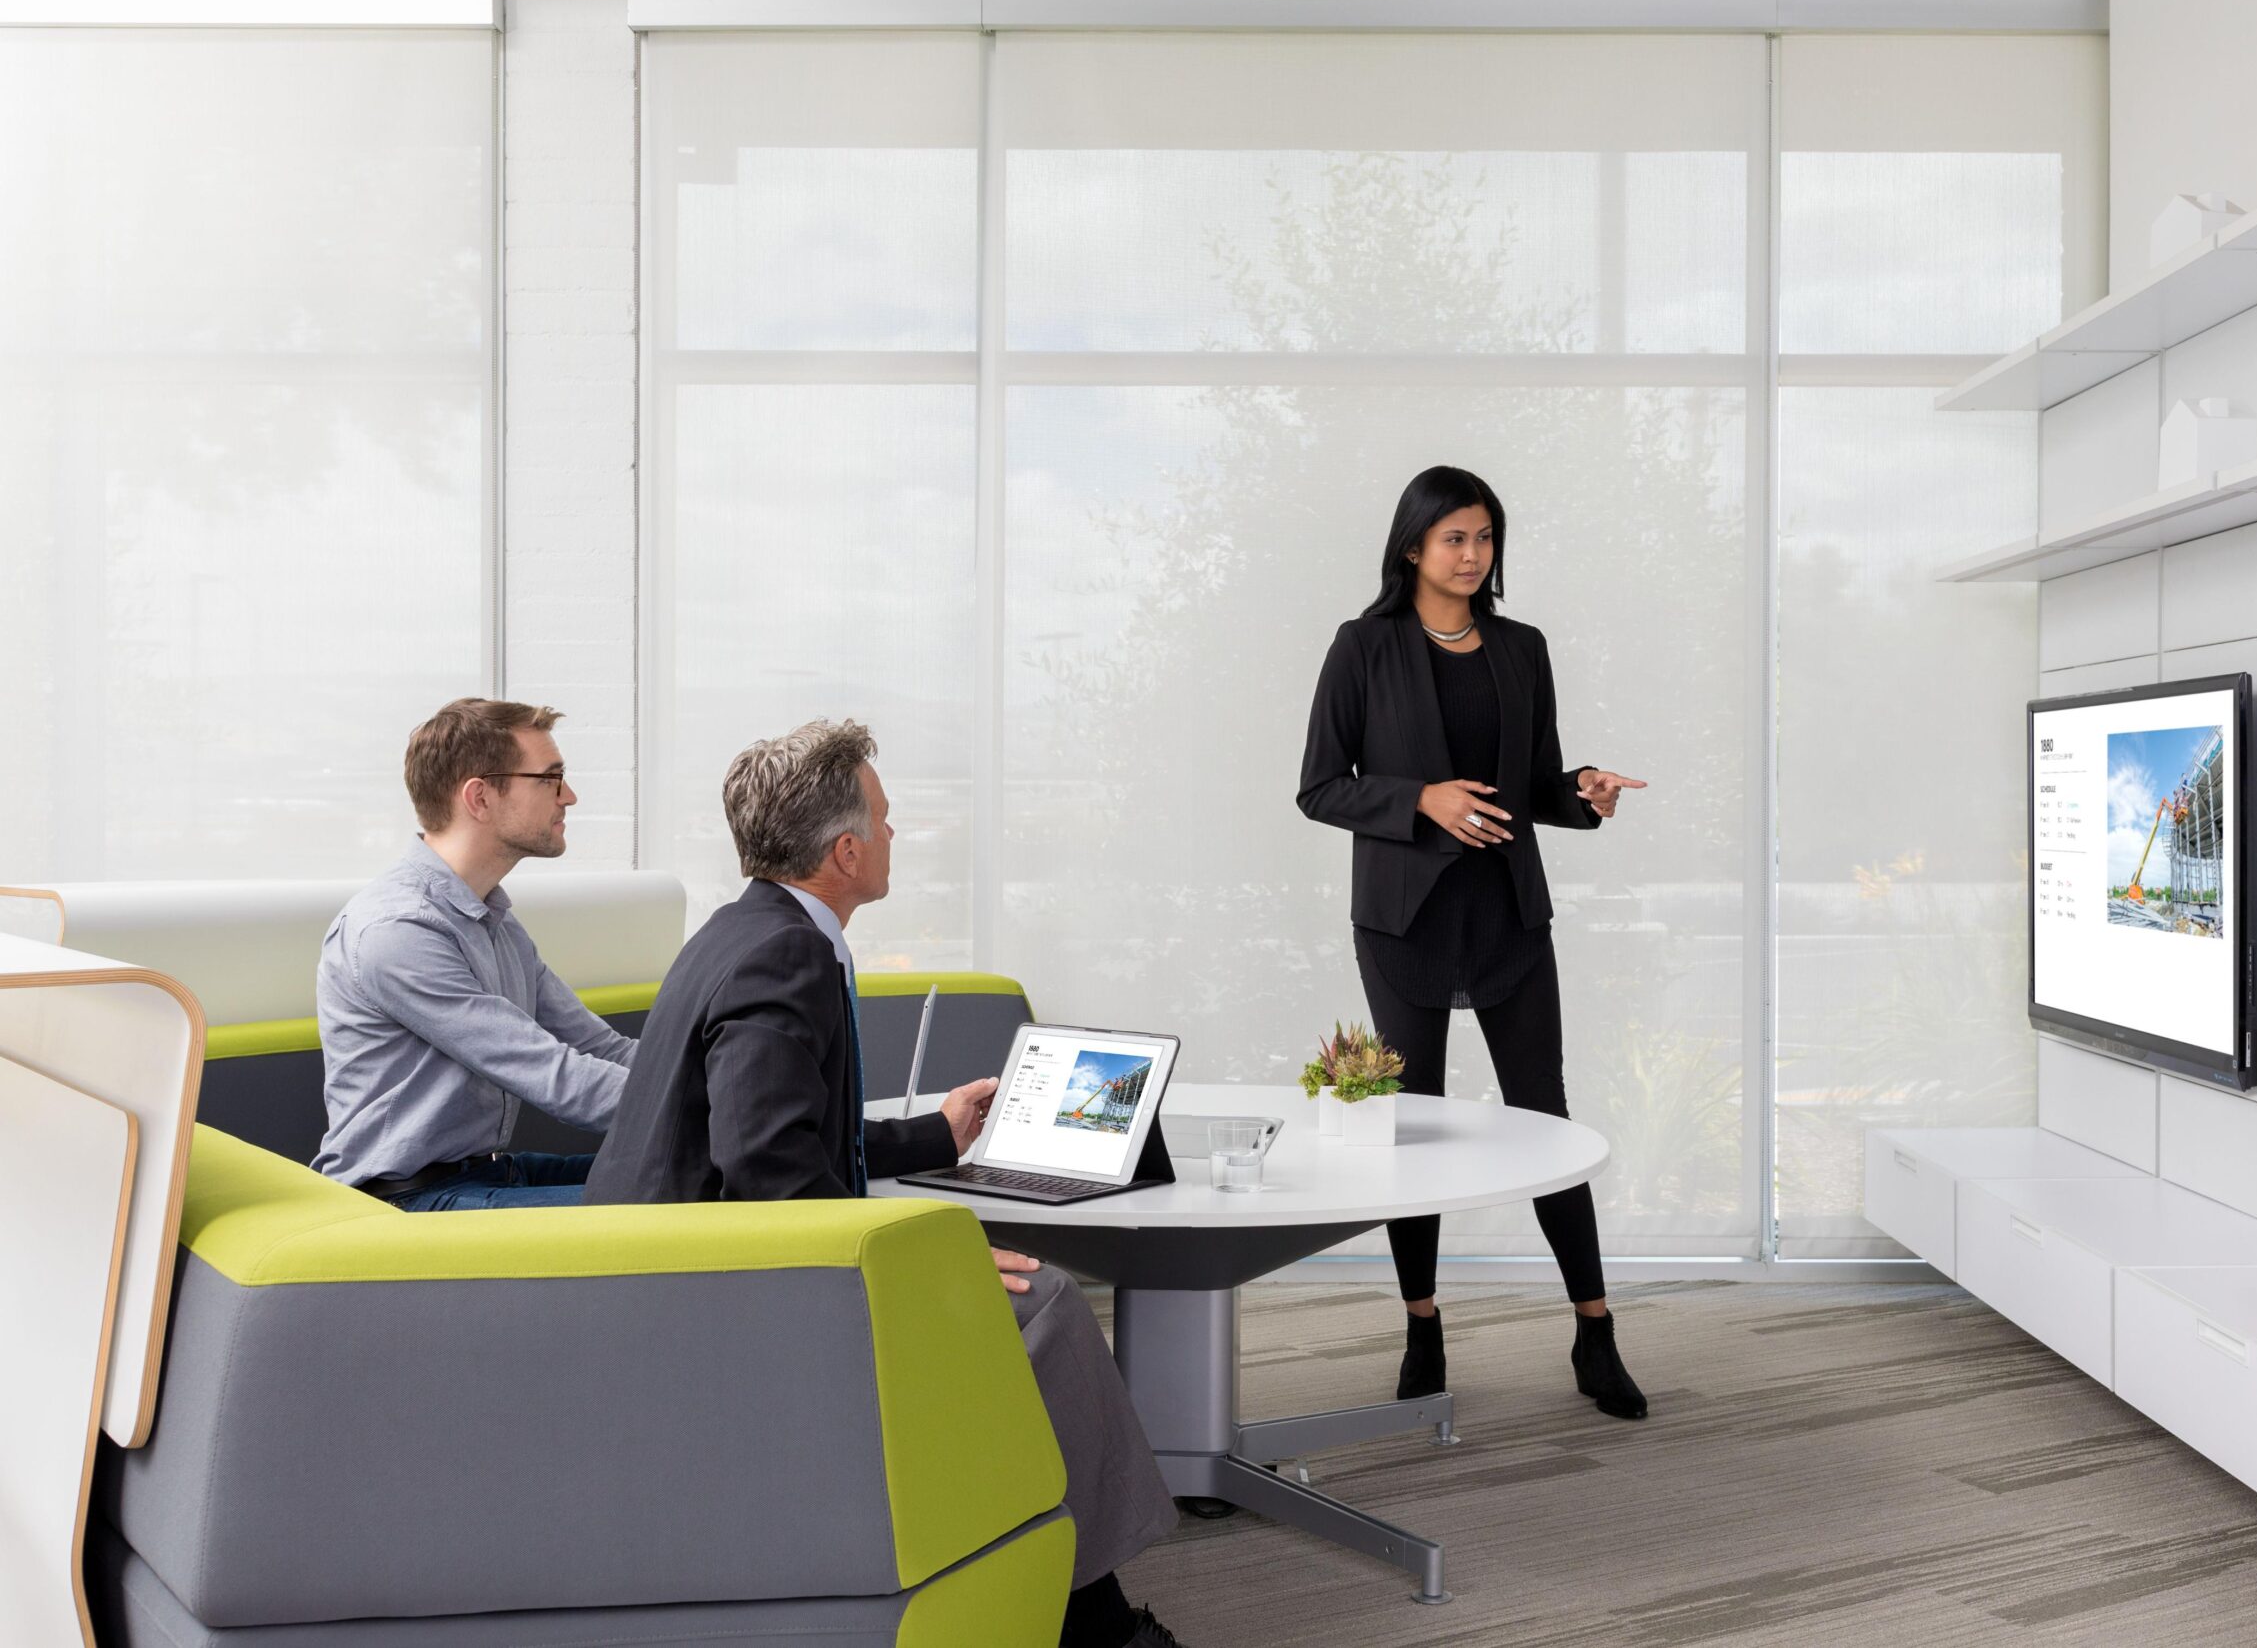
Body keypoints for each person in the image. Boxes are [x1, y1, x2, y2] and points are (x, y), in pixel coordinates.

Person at [584, 720, 1186, 1648]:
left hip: (682, 1264)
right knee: (1047, 1303)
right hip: (709, 1297)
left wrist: (933, 1132)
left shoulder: (746, 929)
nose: (898, 837)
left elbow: (777, 1133)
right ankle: (1094, 1617)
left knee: (1018, 1294)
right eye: (889, 820)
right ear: (846, 849)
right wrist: (920, 1267)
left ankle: (1075, 1591)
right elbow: (767, 1167)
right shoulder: (785, 955)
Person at [1296, 464, 1650, 1422]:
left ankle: (1595, 1328)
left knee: (1547, 1115)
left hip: (1507, 916)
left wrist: (1583, 792)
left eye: (1486, 537)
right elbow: (1322, 786)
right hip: (1405, 920)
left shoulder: (1522, 648)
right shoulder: (1363, 647)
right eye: (1455, 537)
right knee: (1412, 1121)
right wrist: (1420, 798)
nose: (1473, 554)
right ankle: (1422, 1325)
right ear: (1413, 545)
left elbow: (1532, 784)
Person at [313, 699, 636, 1209]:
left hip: (485, 1174)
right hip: (403, 1202)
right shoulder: (399, 929)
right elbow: (554, 1075)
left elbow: (601, 1049)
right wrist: (719, 1110)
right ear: (480, 798)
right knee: (673, 1198)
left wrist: (725, 1085)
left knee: (696, 1172)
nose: (568, 797)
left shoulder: (494, 923)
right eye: (550, 779)